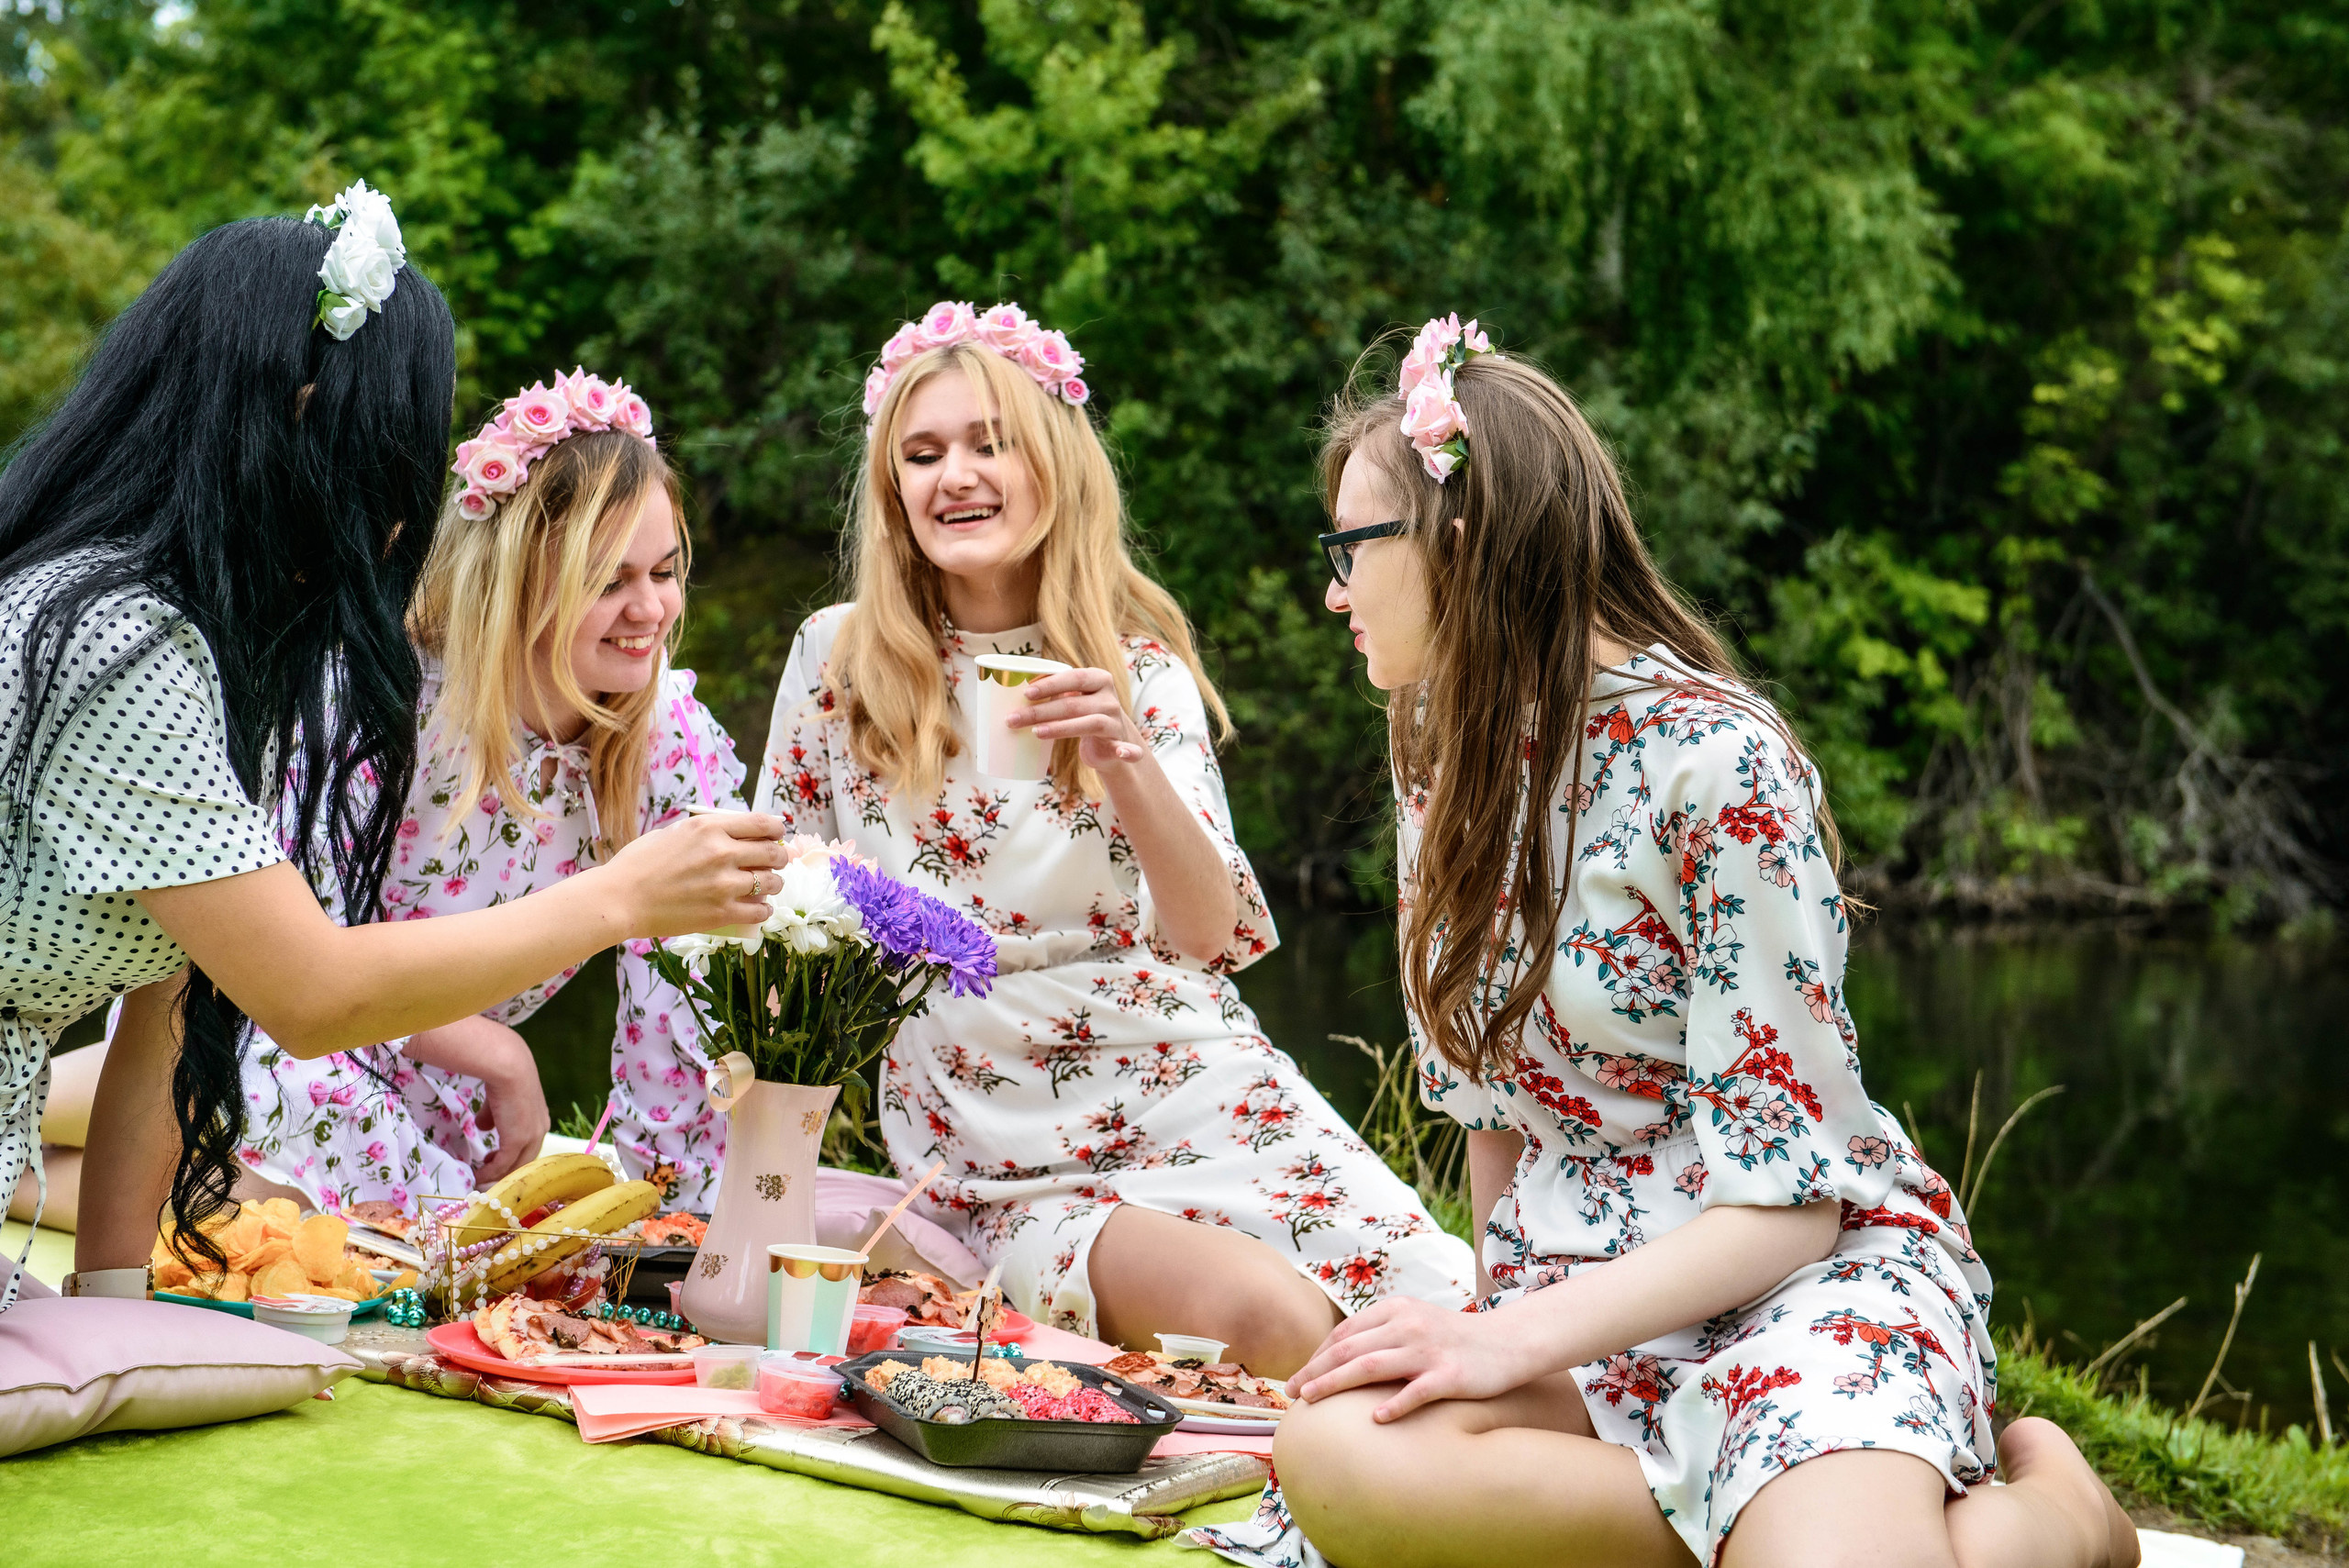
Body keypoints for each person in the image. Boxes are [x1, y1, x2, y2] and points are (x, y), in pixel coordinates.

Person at [1197, 320, 2139, 1568]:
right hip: (1578, 1313)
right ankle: (1757, 1526)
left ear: (1456, 545)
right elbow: (1496, 1112)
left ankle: (2055, 1508)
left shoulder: (1720, 763)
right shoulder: (1437, 749)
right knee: (1336, 1448)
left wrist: (1501, 1349)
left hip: (1797, 1295)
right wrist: (1491, 1321)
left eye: (1345, 549)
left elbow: (1791, 1204)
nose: (1330, 591)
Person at [0, 188, 789, 1307]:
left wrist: (113, 1309)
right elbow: (304, 993)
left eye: (665, 573)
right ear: (302, 421)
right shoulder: (127, 644)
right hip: (315, 1052)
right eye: (387, 457)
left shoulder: (218, 646)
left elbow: (170, 1004)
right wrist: (619, 900)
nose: (404, 515)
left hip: (315, 1077)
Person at [754, 301, 1475, 1375]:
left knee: (1453, 1313)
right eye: (922, 452)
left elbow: (1208, 934)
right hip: (998, 1154)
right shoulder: (840, 663)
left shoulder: (1137, 667)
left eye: (989, 443)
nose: (956, 474)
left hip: (1190, 1078)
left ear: (1054, 463)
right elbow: (780, 919)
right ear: (892, 489)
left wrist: (1124, 759)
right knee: (1278, 1326)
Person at [29, 370, 748, 1218]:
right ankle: (37, 1107)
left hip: (430, 1100)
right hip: (288, 1031)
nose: (651, 609)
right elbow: (285, 963)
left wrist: (679, 1207)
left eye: (664, 572)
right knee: (281, 1180)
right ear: (517, 582)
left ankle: (39, 1147)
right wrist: (492, 1049)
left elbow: (681, 996)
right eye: (608, 581)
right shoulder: (386, 702)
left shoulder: (670, 740)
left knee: (413, 1225)